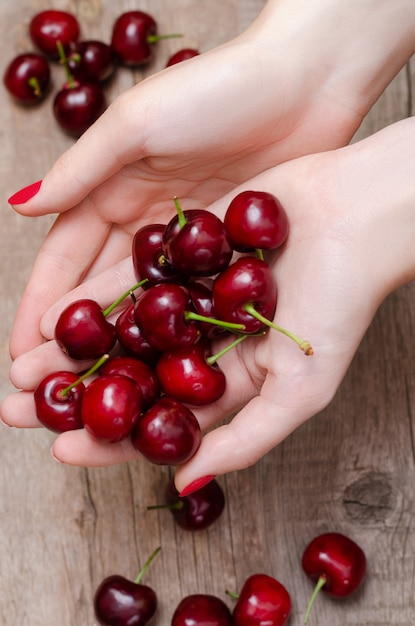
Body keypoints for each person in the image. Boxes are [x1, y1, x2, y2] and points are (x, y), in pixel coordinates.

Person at [1, 0, 415, 495]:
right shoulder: (182, 300)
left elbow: (183, 306)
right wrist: (303, 58)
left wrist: (378, 211)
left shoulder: (198, 296)